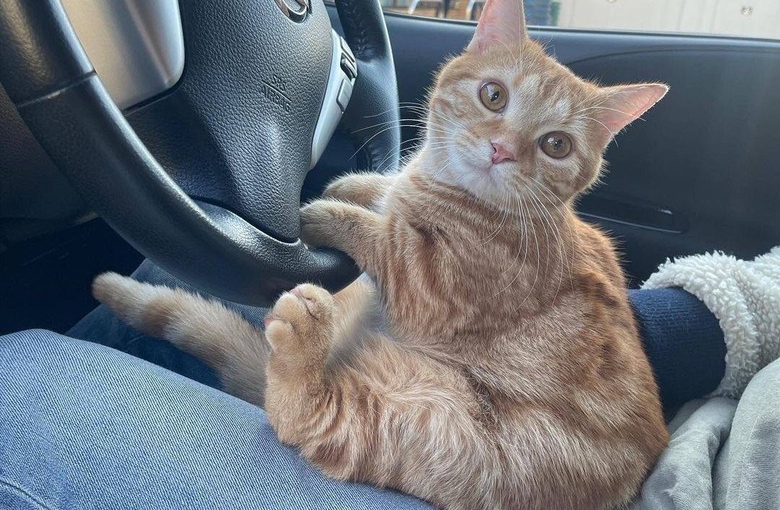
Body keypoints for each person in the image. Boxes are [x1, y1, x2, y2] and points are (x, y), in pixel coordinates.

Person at [1, 250, 779, 508]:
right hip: (660, 408)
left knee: (19, 379)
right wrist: (643, 333)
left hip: (609, 474)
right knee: (165, 268)